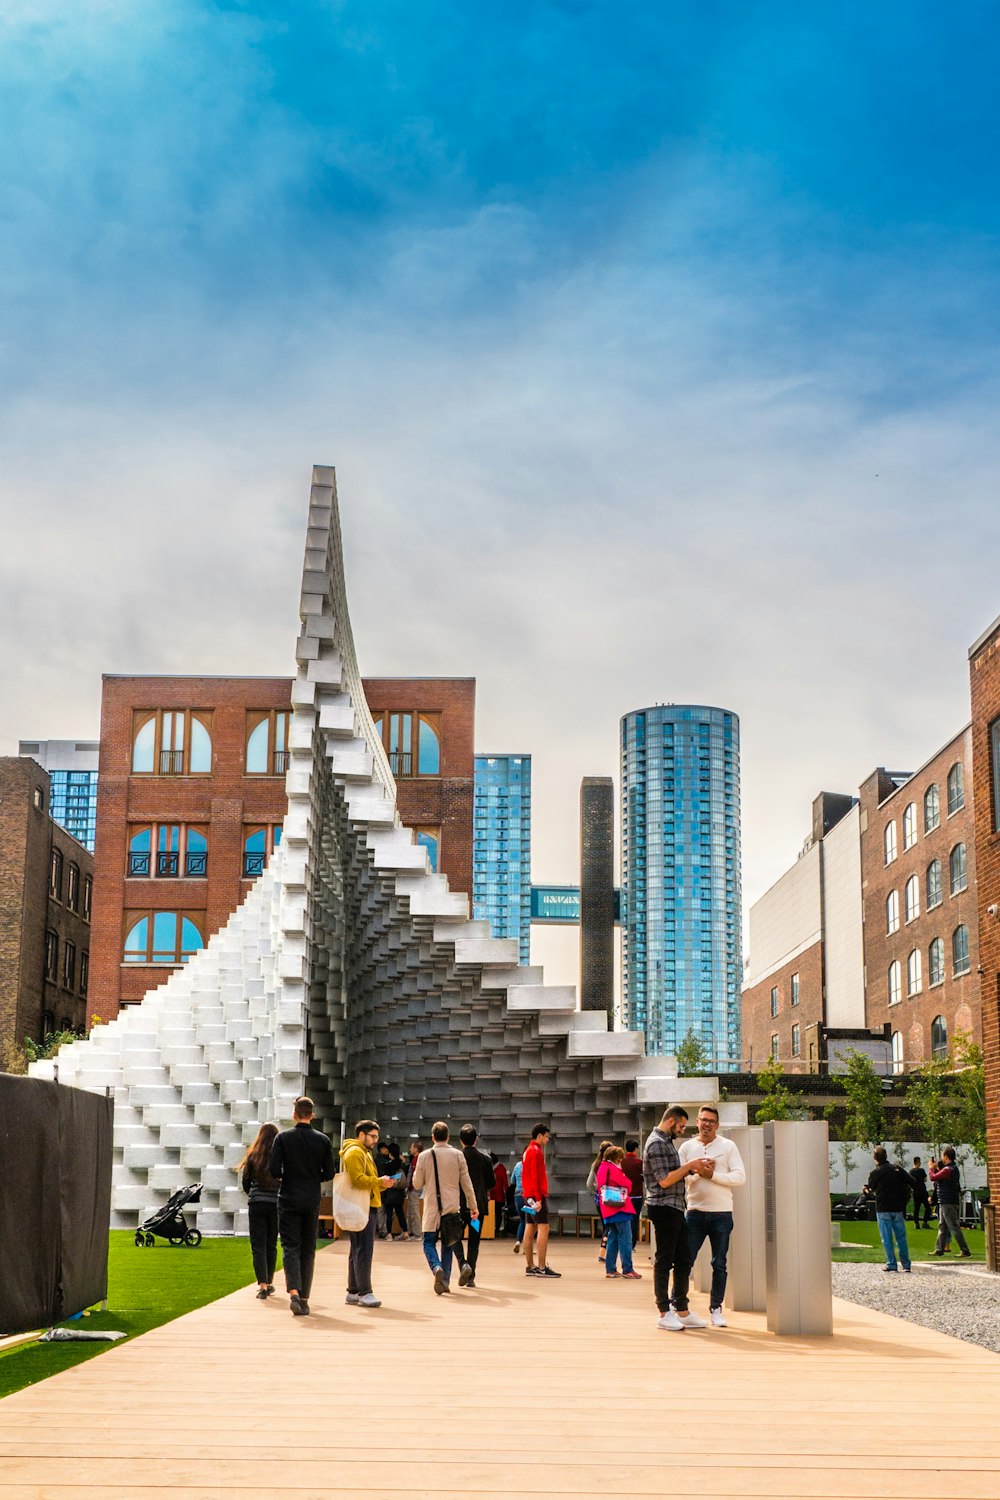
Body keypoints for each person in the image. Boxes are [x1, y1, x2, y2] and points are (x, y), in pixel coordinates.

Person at [643, 1106, 710, 1332]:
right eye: (681, 1126)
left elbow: (673, 1174)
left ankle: (682, 1309)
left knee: (683, 1259)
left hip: (674, 1208)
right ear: (670, 1121)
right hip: (663, 1208)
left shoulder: (665, 1141)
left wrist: (692, 1169)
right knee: (664, 1260)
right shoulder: (657, 1143)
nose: (682, 1130)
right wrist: (689, 1166)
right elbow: (664, 1180)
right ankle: (664, 1312)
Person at [679, 1104, 746, 1328]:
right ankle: (677, 1303)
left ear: (717, 1125)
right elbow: (680, 1179)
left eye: (711, 1121)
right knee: (685, 1260)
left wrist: (713, 1175)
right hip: (695, 1212)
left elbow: (739, 1177)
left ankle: (716, 1308)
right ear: (696, 1122)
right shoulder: (687, 1147)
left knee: (720, 1263)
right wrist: (698, 1173)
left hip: (722, 1214)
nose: (706, 1124)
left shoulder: (728, 1146)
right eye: (703, 1120)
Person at [268, 1096, 335, 1317]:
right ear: (312, 1115)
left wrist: (289, 1175)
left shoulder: (283, 1138)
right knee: (308, 1247)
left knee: (290, 1246)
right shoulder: (323, 1140)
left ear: (294, 1114)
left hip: (288, 1197)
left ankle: (294, 1292)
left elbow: (274, 1170)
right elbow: (329, 1173)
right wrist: (312, 1175)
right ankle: (305, 1296)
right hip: (311, 1198)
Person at [412, 1121, 478, 1294]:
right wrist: (473, 1206)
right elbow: (467, 1183)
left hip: (432, 1208)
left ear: (433, 1137)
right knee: (448, 1244)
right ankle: (446, 1281)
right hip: (451, 1208)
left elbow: (417, 1183)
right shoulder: (457, 1155)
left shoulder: (424, 1156)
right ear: (448, 1137)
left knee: (428, 1243)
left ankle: (436, 1267)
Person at [339, 1120, 393, 1307]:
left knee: (357, 1249)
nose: (375, 1141)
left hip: (364, 1204)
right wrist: (379, 1181)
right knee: (363, 1249)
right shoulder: (355, 1152)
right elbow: (357, 1180)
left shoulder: (363, 1152)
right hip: (362, 1206)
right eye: (373, 1136)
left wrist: (381, 1183)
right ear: (361, 1135)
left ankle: (354, 1291)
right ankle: (365, 1292)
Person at [237, 1121, 280, 1299]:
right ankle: (269, 1281)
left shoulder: (253, 1155)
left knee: (258, 1245)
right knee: (271, 1244)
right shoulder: (280, 1156)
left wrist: (255, 1195)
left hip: (257, 1204)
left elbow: (246, 1183)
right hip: (276, 1204)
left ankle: (262, 1285)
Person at [521, 1123, 560, 1279]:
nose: (548, 1139)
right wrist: (538, 1199)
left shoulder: (527, 1151)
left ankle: (530, 1266)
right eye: (546, 1136)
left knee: (530, 1228)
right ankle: (542, 1267)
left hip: (527, 1195)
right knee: (544, 1228)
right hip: (535, 1196)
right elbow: (535, 1177)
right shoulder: (536, 1151)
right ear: (539, 1136)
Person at [596, 1146, 642, 1280]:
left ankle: (611, 1269)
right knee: (626, 1239)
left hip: (608, 1208)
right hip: (619, 1208)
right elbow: (627, 1184)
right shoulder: (613, 1169)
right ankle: (628, 1269)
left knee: (613, 1239)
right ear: (616, 1158)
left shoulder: (602, 1168)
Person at [864, 1147, 912, 1272]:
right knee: (901, 1236)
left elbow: (871, 1188)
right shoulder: (897, 1169)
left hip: (883, 1208)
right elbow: (911, 1181)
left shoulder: (875, 1172)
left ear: (875, 1158)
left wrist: (866, 1190)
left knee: (886, 1237)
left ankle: (891, 1263)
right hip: (898, 1207)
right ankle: (906, 1264)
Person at [459, 1124, 495, 1286]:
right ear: (476, 1139)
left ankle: (462, 1264)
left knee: (455, 1237)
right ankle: (471, 1276)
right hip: (477, 1209)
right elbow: (491, 1183)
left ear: (461, 1141)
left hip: (459, 1207)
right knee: (474, 1241)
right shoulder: (485, 1159)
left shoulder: (457, 1157)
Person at [930, 1147, 972, 1258]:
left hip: (947, 1202)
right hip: (948, 1201)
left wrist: (931, 1168)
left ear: (946, 1156)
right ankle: (939, 1249)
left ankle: (965, 1250)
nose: (942, 1158)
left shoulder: (947, 1170)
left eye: (943, 1155)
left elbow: (933, 1177)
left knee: (954, 1227)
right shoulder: (953, 1169)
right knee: (942, 1226)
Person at [586, 1141, 614, 1262]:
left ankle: (604, 1251)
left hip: (599, 1199)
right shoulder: (611, 1165)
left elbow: (588, 1184)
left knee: (605, 1225)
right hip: (611, 1198)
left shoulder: (595, 1164)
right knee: (610, 1226)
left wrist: (596, 1190)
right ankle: (603, 1252)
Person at [381, 1141, 409, 1240]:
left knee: (389, 1213)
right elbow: (405, 1176)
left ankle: (389, 1234)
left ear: (390, 1153)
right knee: (400, 1212)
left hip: (390, 1191)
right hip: (400, 1192)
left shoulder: (387, 1165)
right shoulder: (402, 1165)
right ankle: (405, 1233)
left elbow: (385, 1178)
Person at [622, 1139, 645, 1249]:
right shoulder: (639, 1162)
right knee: (634, 1219)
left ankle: (624, 1241)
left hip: (624, 1195)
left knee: (624, 1218)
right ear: (636, 1149)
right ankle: (632, 1243)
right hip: (637, 1195)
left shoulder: (622, 1162)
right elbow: (644, 1177)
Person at [374, 1141, 394, 1238]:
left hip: (381, 1188)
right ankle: (383, 1230)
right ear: (381, 1149)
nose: (387, 1151)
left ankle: (382, 1229)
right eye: (385, 1149)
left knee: (381, 1210)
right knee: (383, 1210)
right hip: (383, 1188)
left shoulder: (377, 1160)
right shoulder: (383, 1161)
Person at [405, 1138, 424, 1237]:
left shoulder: (417, 1160)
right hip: (414, 1188)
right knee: (411, 1211)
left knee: (414, 1211)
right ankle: (410, 1230)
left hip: (414, 1188)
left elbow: (414, 1175)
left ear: (416, 1148)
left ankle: (417, 1233)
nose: (410, 1149)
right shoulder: (416, 1159)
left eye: (412, 1147)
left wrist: (411, 1186)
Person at [489, 1152, 509, 1237]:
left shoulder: (500, 1168)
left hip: (498, 1196)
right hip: (491, 1195)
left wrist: (506, 1195)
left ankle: (496, 1229)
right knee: (492, 1214)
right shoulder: (491, 1169)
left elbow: (505, 1183)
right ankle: (490, 1229)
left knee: (497, 1213)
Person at [909, 1156, 932, 1229]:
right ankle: (925, 1222)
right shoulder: (922, 1170)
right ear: (918, 1162)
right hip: (923, 1192)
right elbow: (925, 1179)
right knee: (928, 1207)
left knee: (916, 1208)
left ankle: (916, 1223)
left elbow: (909, 1182)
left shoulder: (911, 1172)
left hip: (915, 1192)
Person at [510, 1156, 526, 1252]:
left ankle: (518, 1241)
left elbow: (512, 1181)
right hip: (528, 1197)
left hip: (518, 1197)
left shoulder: (517, 1165)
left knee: (522, 1220)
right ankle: (527, 1248)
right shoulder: (531, 1165)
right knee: (530, 1222)